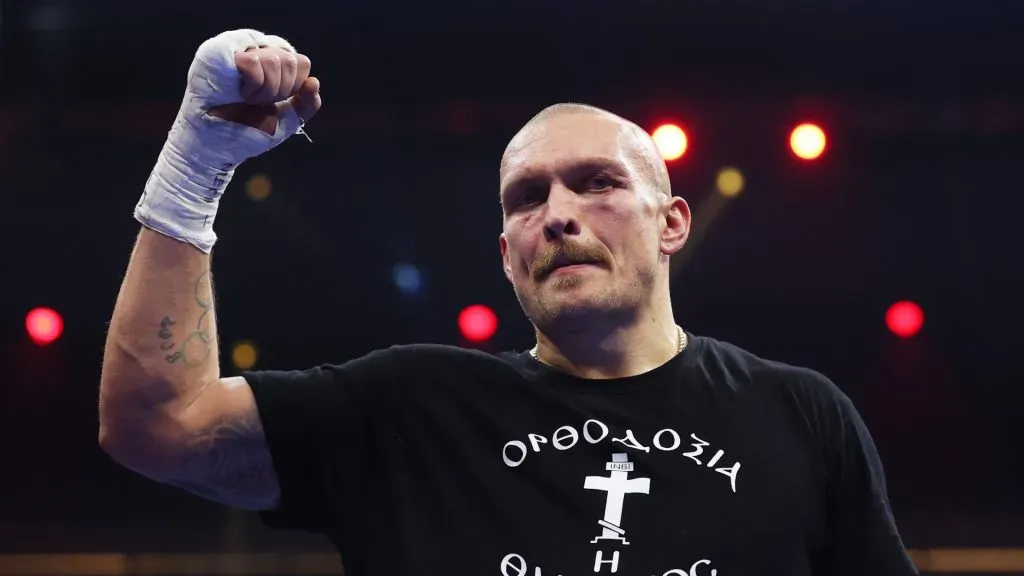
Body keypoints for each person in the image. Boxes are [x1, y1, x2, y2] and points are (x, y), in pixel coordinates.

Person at [98, 29, 919, 576]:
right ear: (506, 254)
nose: (558, 213)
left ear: (672, 223)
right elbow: (157, 426)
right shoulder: (409, 412)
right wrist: (194, 165)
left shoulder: (800, 416)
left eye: (597, 183)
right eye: (527, 198)